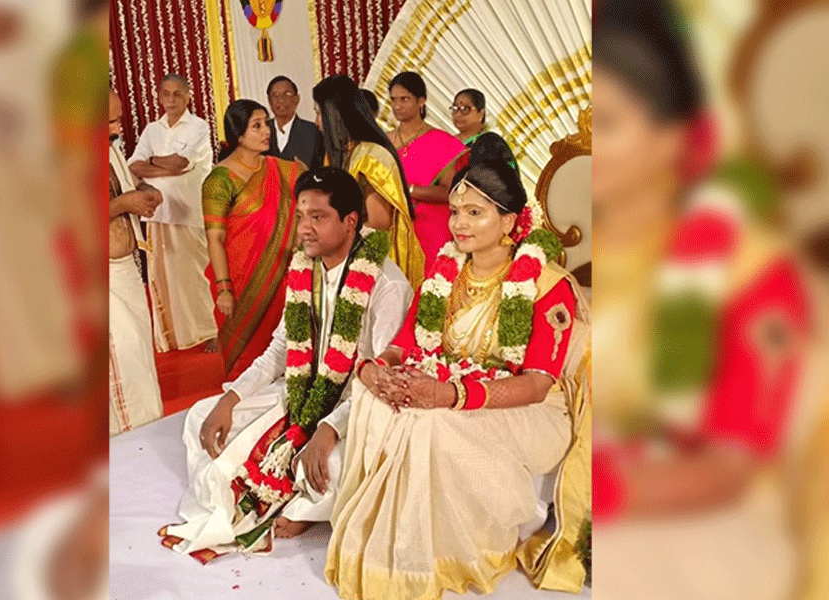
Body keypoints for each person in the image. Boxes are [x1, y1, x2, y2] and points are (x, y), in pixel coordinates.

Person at [590, 2, 812, 600]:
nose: (589, 144)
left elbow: (731, 468)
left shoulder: (748, 271)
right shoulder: (589, 256)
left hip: (703, 538)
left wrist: (603, 490)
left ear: (671, 138)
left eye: (606, 123)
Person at [325, 159, 591, 600]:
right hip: (449, 386)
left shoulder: (546, 284)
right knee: (376, 400)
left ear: (509, 221)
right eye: (454, 211)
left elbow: (537, 384)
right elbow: (404, 343)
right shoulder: (444, 271)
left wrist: (452, 395)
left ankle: (446, 555)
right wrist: (378, 370)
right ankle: (391, 542)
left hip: (529, 410)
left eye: (474, 212)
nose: (459, 223)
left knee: (431, 422)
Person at [159, 167, 413, 561]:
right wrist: (230, 398)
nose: (304, 228)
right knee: (201, 417)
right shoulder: (305, 266)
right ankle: (282, 491)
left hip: (358, 405)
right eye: (301, 216)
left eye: (318, 217)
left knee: (332, 463)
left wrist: (329, 428)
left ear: (350, 221)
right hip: (300, 388)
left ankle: (303, 507)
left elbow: (381, 379)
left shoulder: (387, 285)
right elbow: (280, 350)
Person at [201, 99, 304, 379]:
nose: (266, 131)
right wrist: (224, 288)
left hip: (282, 274)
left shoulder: (283, 170)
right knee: (246, 355)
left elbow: (306, 207)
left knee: (286, 347)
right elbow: (215, 237)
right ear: (238, 134)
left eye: (265, 124)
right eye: (256, 126)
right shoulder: (219, 180)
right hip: (239, 281)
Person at [128, 74, 217, 353]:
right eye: (166, 93)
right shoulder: (152, 130)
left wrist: (153, 162)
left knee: (194, 276)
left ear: (188, 96)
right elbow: (134, 166)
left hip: (188, 213)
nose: (171, 99)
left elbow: (181, 162)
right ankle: (172, 337)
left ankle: (208, 331)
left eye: (177, 93)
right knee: (162, 279)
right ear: (159, 97)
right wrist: (164, 167)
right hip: (156, 213)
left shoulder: (198, 126)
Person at [312, 74, 425, 290]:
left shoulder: (371, 157)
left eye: (319, 113)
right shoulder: (344, 153)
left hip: (375, 266)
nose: (317, 122)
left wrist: (331, 235)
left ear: (335, 115)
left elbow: (379, 221)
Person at [109, 90, 164, 435]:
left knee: (140, 357)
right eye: (109, 121)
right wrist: (123, 204)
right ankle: (128, 444)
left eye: (117, 120)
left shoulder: (110, 148)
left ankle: (146, 435)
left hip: (125, 267)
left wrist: (143, 191)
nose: (117, 129)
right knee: (124, 362)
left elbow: (122, 188)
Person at [387, 71, 466, 273]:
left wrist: (407, 190)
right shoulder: (384, 142)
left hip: (430, 230)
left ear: (421, 101)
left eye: (404, 99)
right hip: (391, 228)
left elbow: (450, 191)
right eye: (394, 100)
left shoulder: (442, 142)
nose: (397, 106)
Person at [265, 75, 324, 170]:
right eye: (275, 95)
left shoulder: (313, 131)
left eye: (287, 94)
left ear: (297, 99)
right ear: (269, 100)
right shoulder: (262, 130)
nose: (281, 100)